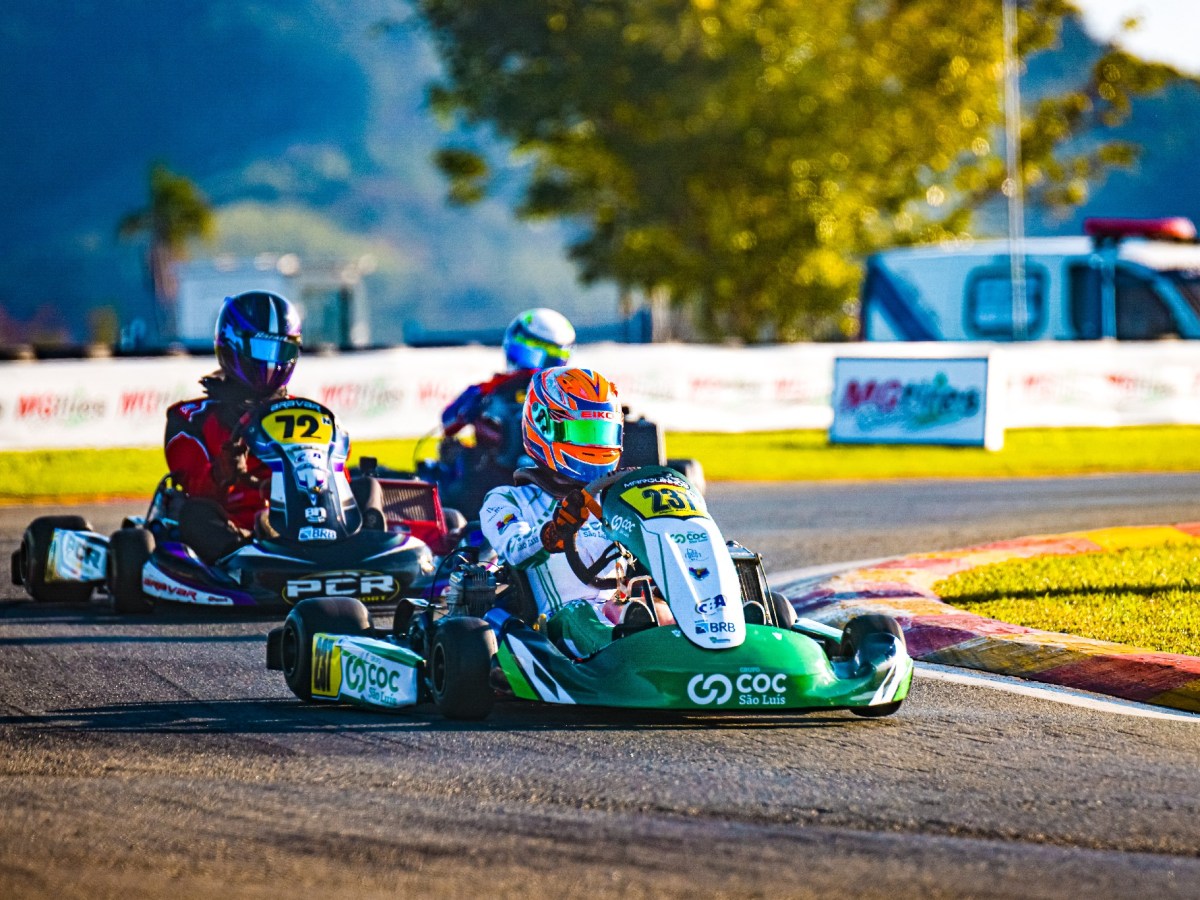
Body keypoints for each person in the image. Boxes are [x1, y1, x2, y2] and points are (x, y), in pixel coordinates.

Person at [480, 366, 653, 639]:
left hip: (625, 614)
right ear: (544, 427)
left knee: (658, 612)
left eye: (602, 434)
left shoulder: (618, 498)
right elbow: (514, 548)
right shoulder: (508, 499)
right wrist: (553, 533)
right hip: (559, 629)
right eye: (584, 432)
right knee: (582, 614)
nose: (595, 446)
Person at [164, 290, 302, 561]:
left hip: (300, 524)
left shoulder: (304, 413)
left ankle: (352, 549)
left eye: (281, 350)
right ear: (232, 345)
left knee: (367, 489)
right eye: (263, 350)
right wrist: (221, 473)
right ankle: (246, 560)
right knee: (194, 516)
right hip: (232, 530)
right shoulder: (191, 418)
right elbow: (193, 487)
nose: (272, 361)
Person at [435, 308, 575, 515]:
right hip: (544, 486)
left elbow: (449, 421)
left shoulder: (492, 390)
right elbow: (449, 422)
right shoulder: (570, 391)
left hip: (501, 484)